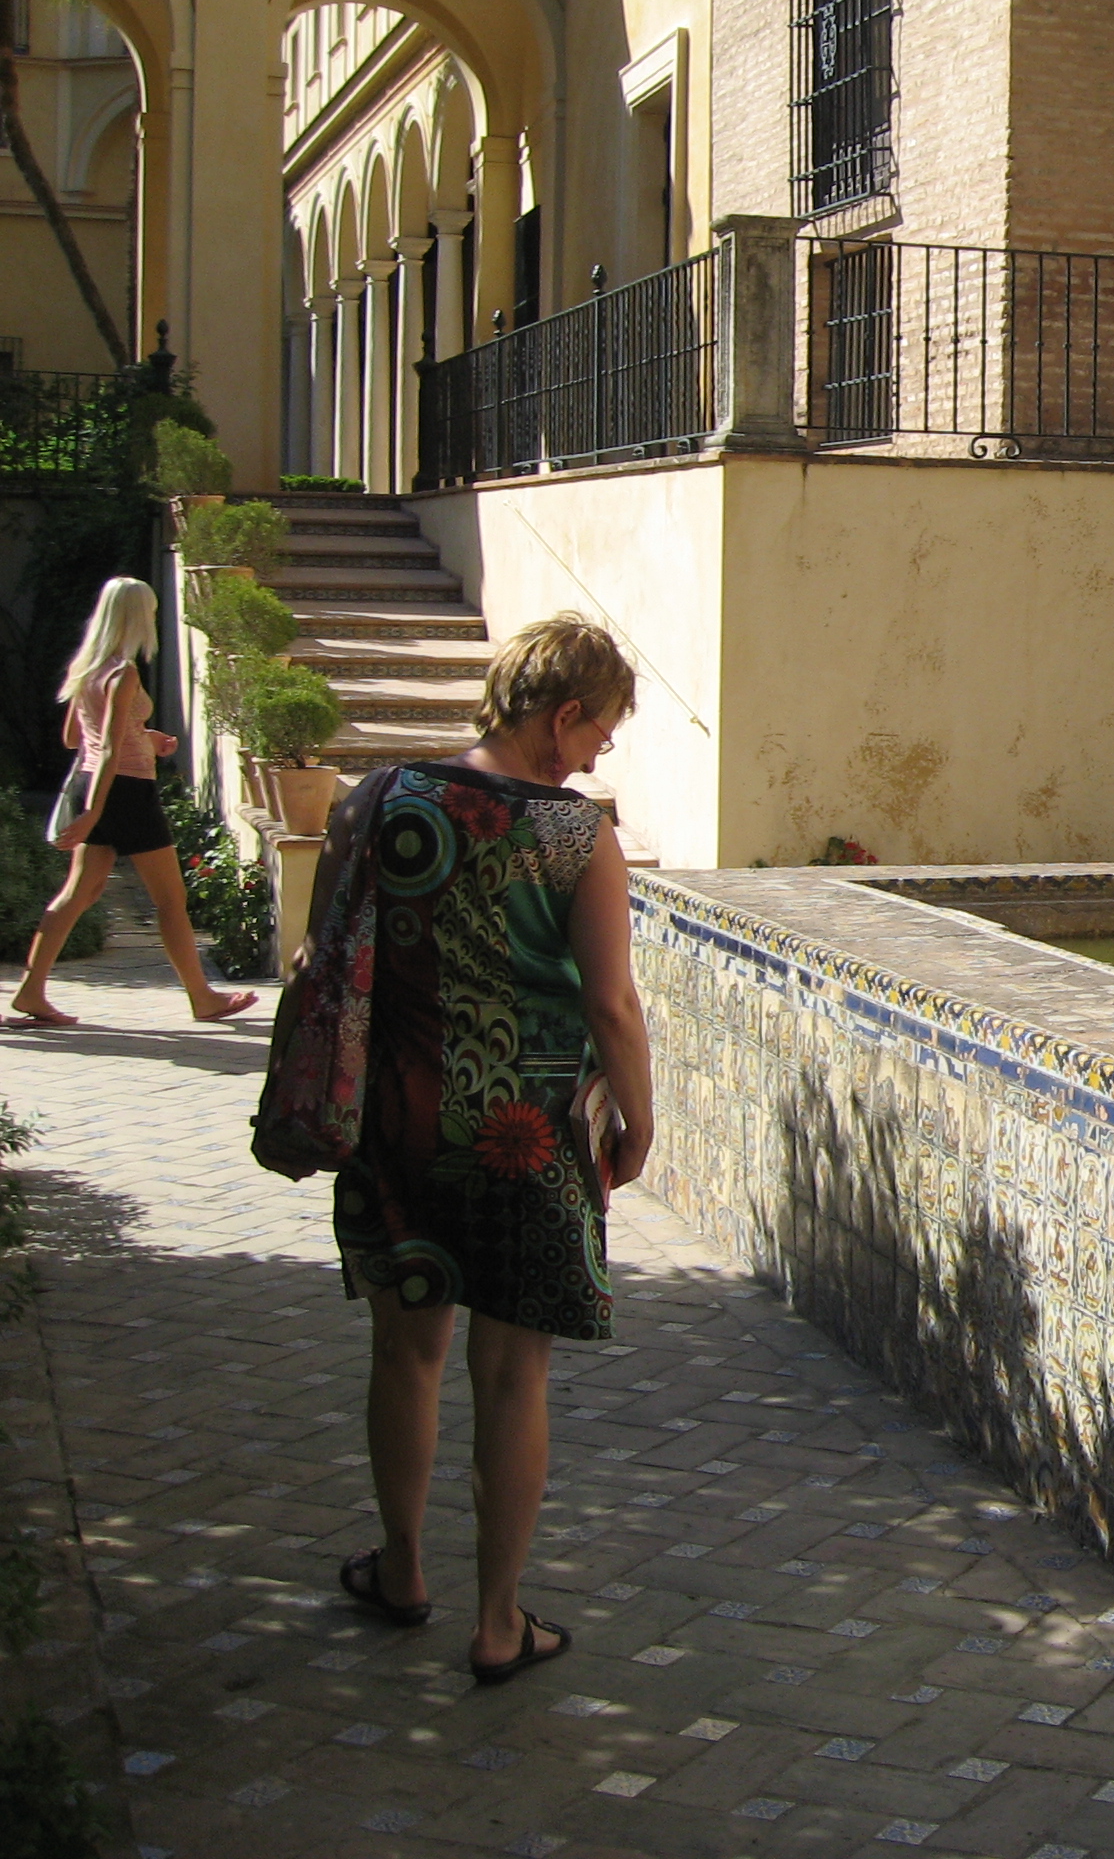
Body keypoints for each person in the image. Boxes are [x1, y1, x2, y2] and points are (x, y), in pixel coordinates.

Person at [314, 613, 655, 1684]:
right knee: (511, 1377)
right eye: (598, 732)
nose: (595, 756)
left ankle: (402, 1570)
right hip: (528, 1139)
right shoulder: (574, 835)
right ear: (563, 715)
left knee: (404, 1352)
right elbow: (611, 1005)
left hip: (401, 1123)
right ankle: (499, 1623)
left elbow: (323, 959)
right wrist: (639, 1123)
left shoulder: (379, 801)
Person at [11, 576, 256, 1028]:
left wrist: (144, 738)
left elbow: (75, 738)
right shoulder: (123, 672)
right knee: (170, 899)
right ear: (138, 616)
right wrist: (93, 813)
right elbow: (107, 747)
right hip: (124, 791)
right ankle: (203, 998)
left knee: (79, 894)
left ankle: (31, 989)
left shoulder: (86, 668)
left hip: (95, 784)